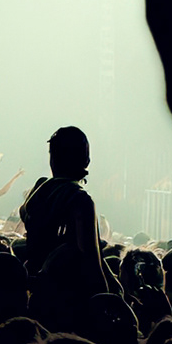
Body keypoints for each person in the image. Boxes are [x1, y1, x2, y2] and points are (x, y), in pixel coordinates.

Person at [19, 125, 107, 310]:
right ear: (85, 159)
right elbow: (91, 259)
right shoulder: (79, 199)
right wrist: (106, 300)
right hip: (69, 297)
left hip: (38, 292)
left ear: (52, 158)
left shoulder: (39, 189)